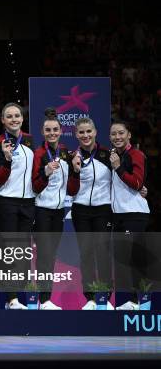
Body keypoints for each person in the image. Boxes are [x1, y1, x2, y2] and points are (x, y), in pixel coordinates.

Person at [0, 103, 36, 309]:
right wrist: (7, 160)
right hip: (6, 201)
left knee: (24, 251)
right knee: (9, 251)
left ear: (22, 118)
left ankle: (20, 295)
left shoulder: (30, 141)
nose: (14, 119)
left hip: (28, 202)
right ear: (3, 120)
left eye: (17, 115)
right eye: (9, 116)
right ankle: (10, 298)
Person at [66, 117, 113, 310]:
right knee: (86, 253)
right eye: (81, 132)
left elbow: (120, 180)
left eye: (88, 131)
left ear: (95, 132)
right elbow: (70, 189)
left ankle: (105, 296)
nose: (85, 135)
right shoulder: (72, 157)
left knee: (102, 252)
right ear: (76, 134)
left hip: (103, 209)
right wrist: (75, 171)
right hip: (81, 210)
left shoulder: (108, 155)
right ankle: (90, 298)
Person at [31, 108, 72, 310]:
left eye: (55, 129)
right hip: (42, 210)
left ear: (61, 130)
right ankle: (44, 299)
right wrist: (45, 173)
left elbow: (71, 185)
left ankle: (47, 299)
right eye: (48, 130)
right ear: (42, 132)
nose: (52, 133)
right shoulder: (38, 154)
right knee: (45, 255)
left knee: (52, 255)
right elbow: (35, 186)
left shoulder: (65, 152)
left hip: (59, 211)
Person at [108, 121, 150, 310]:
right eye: (114, 134)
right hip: (120, 215)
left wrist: (118, 168)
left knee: (134, 260)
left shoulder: (136, 155)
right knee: (125, 260)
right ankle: (134, 301)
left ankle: (142, 301)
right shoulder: (114, 155)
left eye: (121, 133)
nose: (117, 137)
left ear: (129, 135)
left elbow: (137, 182)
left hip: (134, 213)